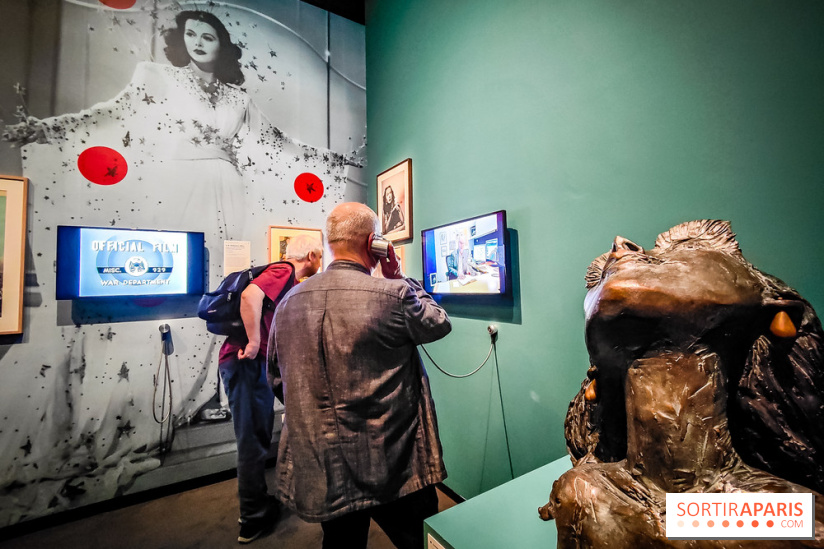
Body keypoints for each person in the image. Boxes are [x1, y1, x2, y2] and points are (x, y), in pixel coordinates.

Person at [267, 202, 452, 549]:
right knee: (416, 539)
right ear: (373, 244)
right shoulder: (393, 294)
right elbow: (439, 322)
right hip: (393, 461)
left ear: (331, 243)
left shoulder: (288, 302)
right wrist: (398, 276)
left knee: (340, 543)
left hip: (325, 465)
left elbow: (278, 380)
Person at [220, 234, 323, 544]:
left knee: (259, 434)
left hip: (253, 366)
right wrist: (253, 343)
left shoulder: (289, 279)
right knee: (252, 441)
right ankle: (251, 519)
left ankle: (260, 506)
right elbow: (250, 296)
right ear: (311, 254)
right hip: (247, 364)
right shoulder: (284, 271)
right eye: (319, 254)